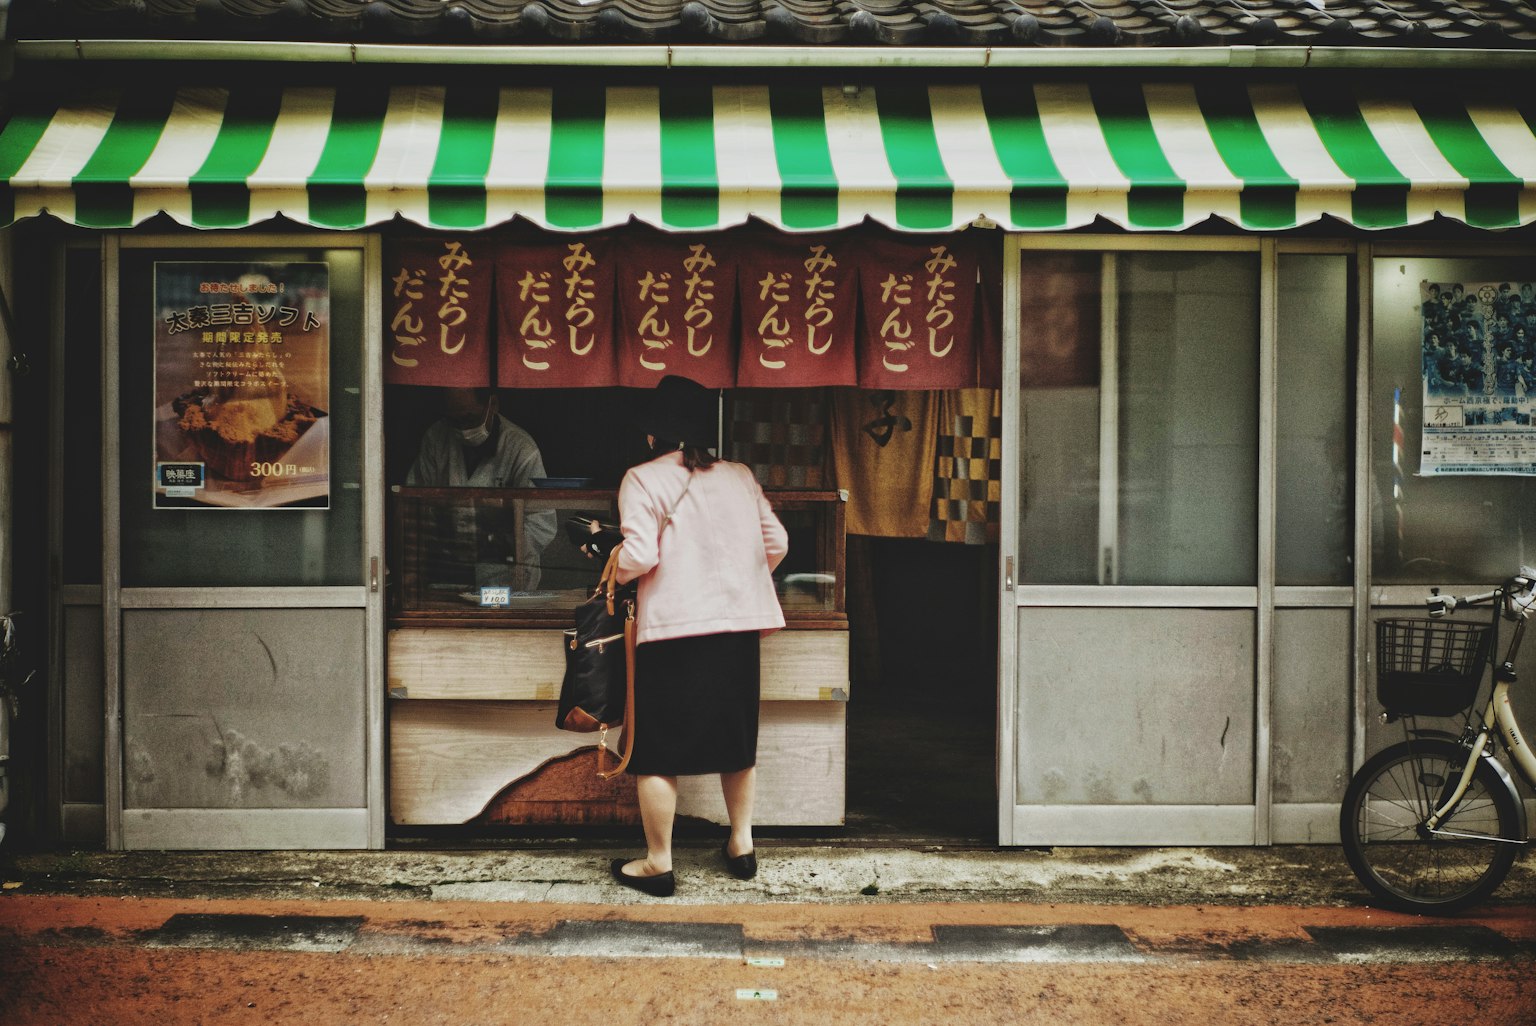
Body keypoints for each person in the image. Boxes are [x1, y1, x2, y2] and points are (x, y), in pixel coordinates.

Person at [605, 375, 788, 898]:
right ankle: (742, 844)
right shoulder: (738, 474)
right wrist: (740, 576)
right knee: (736, 742)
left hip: (673, 632)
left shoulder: (641, 478)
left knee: (658, 749)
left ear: (651, 435)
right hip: (736, 629)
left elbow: (640, 556)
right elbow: (777, 541)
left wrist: (616, 569)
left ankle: (659, 863)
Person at [406, 387, 556, 591]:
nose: (463, 429)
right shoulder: (436, 439)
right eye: (455, 421)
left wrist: (497, 545)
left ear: (492, 405)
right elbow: (414, 504)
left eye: (470, 418)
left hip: (506, 577)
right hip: (448, 571)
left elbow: (542, 522)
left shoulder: (521, 449)